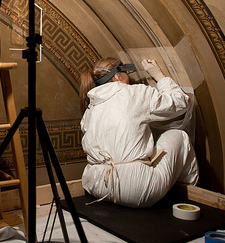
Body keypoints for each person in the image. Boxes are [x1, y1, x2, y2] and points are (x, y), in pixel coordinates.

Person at [79, 57, 199, 208]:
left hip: (96, 186)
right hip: (135, 190)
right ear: (117, 76)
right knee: (179, 136)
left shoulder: (91, 107)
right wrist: (158, 76)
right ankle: (192, 196)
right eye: (126, 73)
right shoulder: (133, 93)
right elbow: (180, 101)